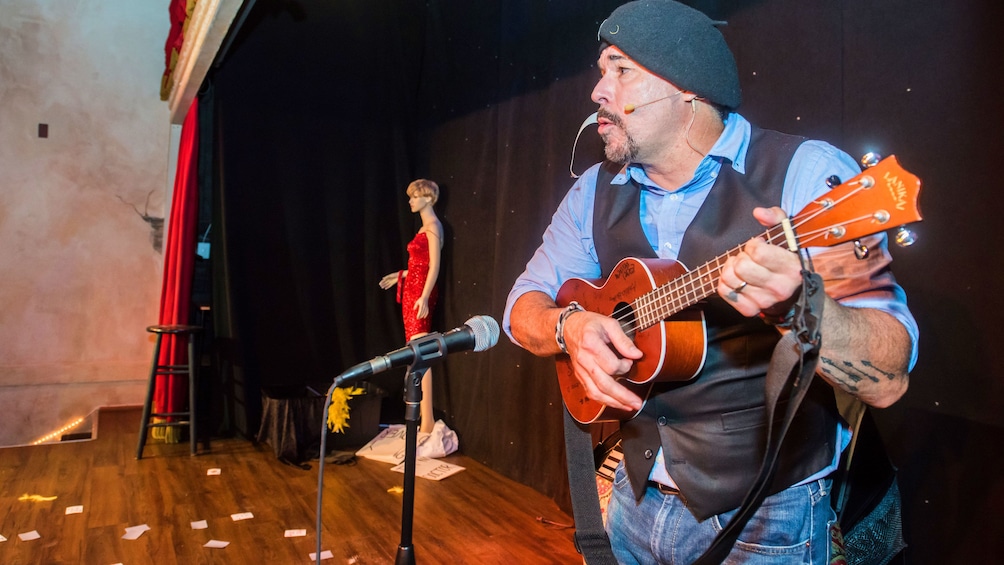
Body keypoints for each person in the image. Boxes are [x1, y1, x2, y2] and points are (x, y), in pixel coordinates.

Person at [503, 1, 918, 563]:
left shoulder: (805, 174)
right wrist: (570, 325)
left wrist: (802, 305)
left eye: (620, 70)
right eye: (601, 72)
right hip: (633, 495)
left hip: (770, 515)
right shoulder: (593, 191)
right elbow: (520, 309)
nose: (597, 92)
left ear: (689, 90)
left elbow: (888, 376)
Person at [380, 179, 443, 434]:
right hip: (412, 292)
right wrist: (400, 276)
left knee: (420, 354)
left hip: (420, 294)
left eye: (414, 197)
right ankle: (420, 420)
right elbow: (419, 266)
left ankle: (426, 421)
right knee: (415, 352)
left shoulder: (433, 228)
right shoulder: (424, 228)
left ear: (428, 198)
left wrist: (425, 296)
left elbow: (434, 267)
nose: (410, 201)